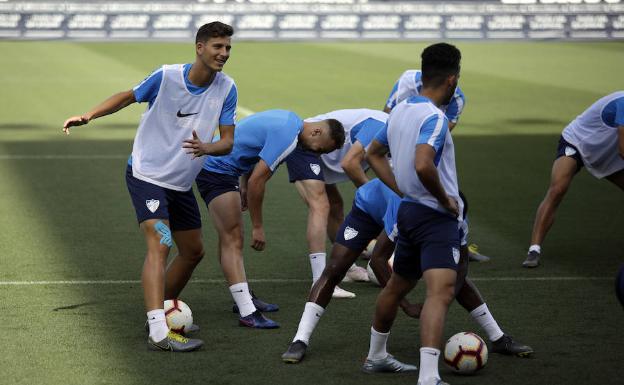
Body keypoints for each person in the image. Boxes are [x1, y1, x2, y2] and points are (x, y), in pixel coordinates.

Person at [62, 22, 238, 351]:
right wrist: (88, 116)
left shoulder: (227, 88)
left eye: (227, 48)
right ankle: (158, 331)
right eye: (217, 47)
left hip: (181, 184)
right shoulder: (167, 76)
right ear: (200, 47)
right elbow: (129, 96)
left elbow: (227, 141)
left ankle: (159, 308)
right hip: (148, 177)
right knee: (161, 243)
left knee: (193, 251)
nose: (224, 53)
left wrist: (208, 148)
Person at [281, 181, 532, 364]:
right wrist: (406, 305)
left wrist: (445, 298)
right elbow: (378, 259)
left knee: (451, 273)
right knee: (336, 268)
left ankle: (499, 338)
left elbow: (461, 264)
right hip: (369, 208)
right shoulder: (405, 207)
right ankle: (300, 339)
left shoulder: (456, 210)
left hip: (418, 221)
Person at [364, 42, 462, 385]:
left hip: (408, 213)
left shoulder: (401, 109)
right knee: (441, 291)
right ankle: (429, 377)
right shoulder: (435, 118)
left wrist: (400, 189)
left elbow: (374, 153)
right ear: (451, 79)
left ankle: (376, 356)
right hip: (435, 216)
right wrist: (445, 199)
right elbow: (424, 164)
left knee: (397, 285)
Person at [193, 109, 345, 328]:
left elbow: (253, 148)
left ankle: (243, 297)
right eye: (320, 149)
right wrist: (258, 226)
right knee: (233, 238)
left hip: (225, 170)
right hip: (215, 170)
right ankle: (247, 311)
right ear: (317, 132)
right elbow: (258, 181)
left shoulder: (290, 121)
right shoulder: (289, 136)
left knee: (231, 237)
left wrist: (243, 183)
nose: (317, 154)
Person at [384, 68, 489, 263]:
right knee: (415, 199)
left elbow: (439, 137)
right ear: (451, 79)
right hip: (400, 150)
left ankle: (458, 245)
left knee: (445, 198)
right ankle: (389, 251)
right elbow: (387, 115)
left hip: (425, 154)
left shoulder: (456, 100)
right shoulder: (407, 81)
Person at [284, 109, 388, 298]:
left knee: (335, 206)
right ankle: (320, 281)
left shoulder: (400, 141)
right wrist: (376, 202)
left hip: (325, 153)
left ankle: (347, 268)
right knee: (321, 207)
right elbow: (350, 164)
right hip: (307, 144)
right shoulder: (381, 124)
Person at [523, 91, 624, 268]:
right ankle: (534, 250)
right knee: (557, 190)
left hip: (606, 152)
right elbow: (623, 150)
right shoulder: (623, 104)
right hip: (577, 141)